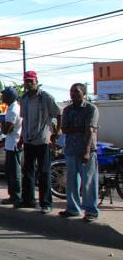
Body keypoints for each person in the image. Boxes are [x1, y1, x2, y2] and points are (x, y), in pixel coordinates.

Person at [19, 70, 62, 213]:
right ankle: (28, 201)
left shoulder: (45, 97)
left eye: (31, 81)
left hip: (43, 139)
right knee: (28, 171)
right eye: (27, 81)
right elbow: (24, 120)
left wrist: (56, 133)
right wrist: (21, 139)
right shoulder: (24, 98)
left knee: (44, 172)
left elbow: (58, 113)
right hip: (28, 139)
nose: (29, 84)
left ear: (36, 82)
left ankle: (46, 203)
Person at [60, 83, 100, 221]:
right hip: (71, 149)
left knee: (88, 182)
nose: (73, 94)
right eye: (71, 91)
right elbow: (64, 129)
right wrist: (81, 128)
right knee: (71, 181)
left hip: (86, 150)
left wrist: (87, 151)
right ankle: (73, 209)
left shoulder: (91, 109)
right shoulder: (67, 110)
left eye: (76, 91)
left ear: (83, 93)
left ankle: (91, 211)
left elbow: (89, 130)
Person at [0, 87, 24, 206]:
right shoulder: (12, 107)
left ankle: (16, 196)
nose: (2, 97)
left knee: (14, 172)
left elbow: (6, 129)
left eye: (4, 95)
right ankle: (13, 195)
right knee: (11, 171)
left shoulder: (13, 109)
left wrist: (2, 126)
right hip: (11, 144)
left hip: (14, 144)